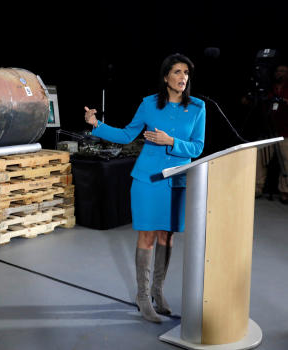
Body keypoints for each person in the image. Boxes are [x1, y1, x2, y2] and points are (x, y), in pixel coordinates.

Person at [84, 53, 206, 323]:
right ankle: (142, 297)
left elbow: (198, 147)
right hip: (148, 179)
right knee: (148, 236)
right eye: (177, 72)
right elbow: (128, 134)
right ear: (165, 77)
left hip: (177, 179)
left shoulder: (198, 107)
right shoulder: (149, 105)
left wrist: (170, 140)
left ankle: (158, 292)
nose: (183, 77)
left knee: (168, 237)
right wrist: (97, 125)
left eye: (186, 72)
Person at [255, 63, 288, 204]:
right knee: (260, 161)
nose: (278, 73)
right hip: (268, 130)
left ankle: (285, 191)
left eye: (282, 71)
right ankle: (257, 188)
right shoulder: (269, 88)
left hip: (285, 131)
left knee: (287, 163)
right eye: (277, 70)